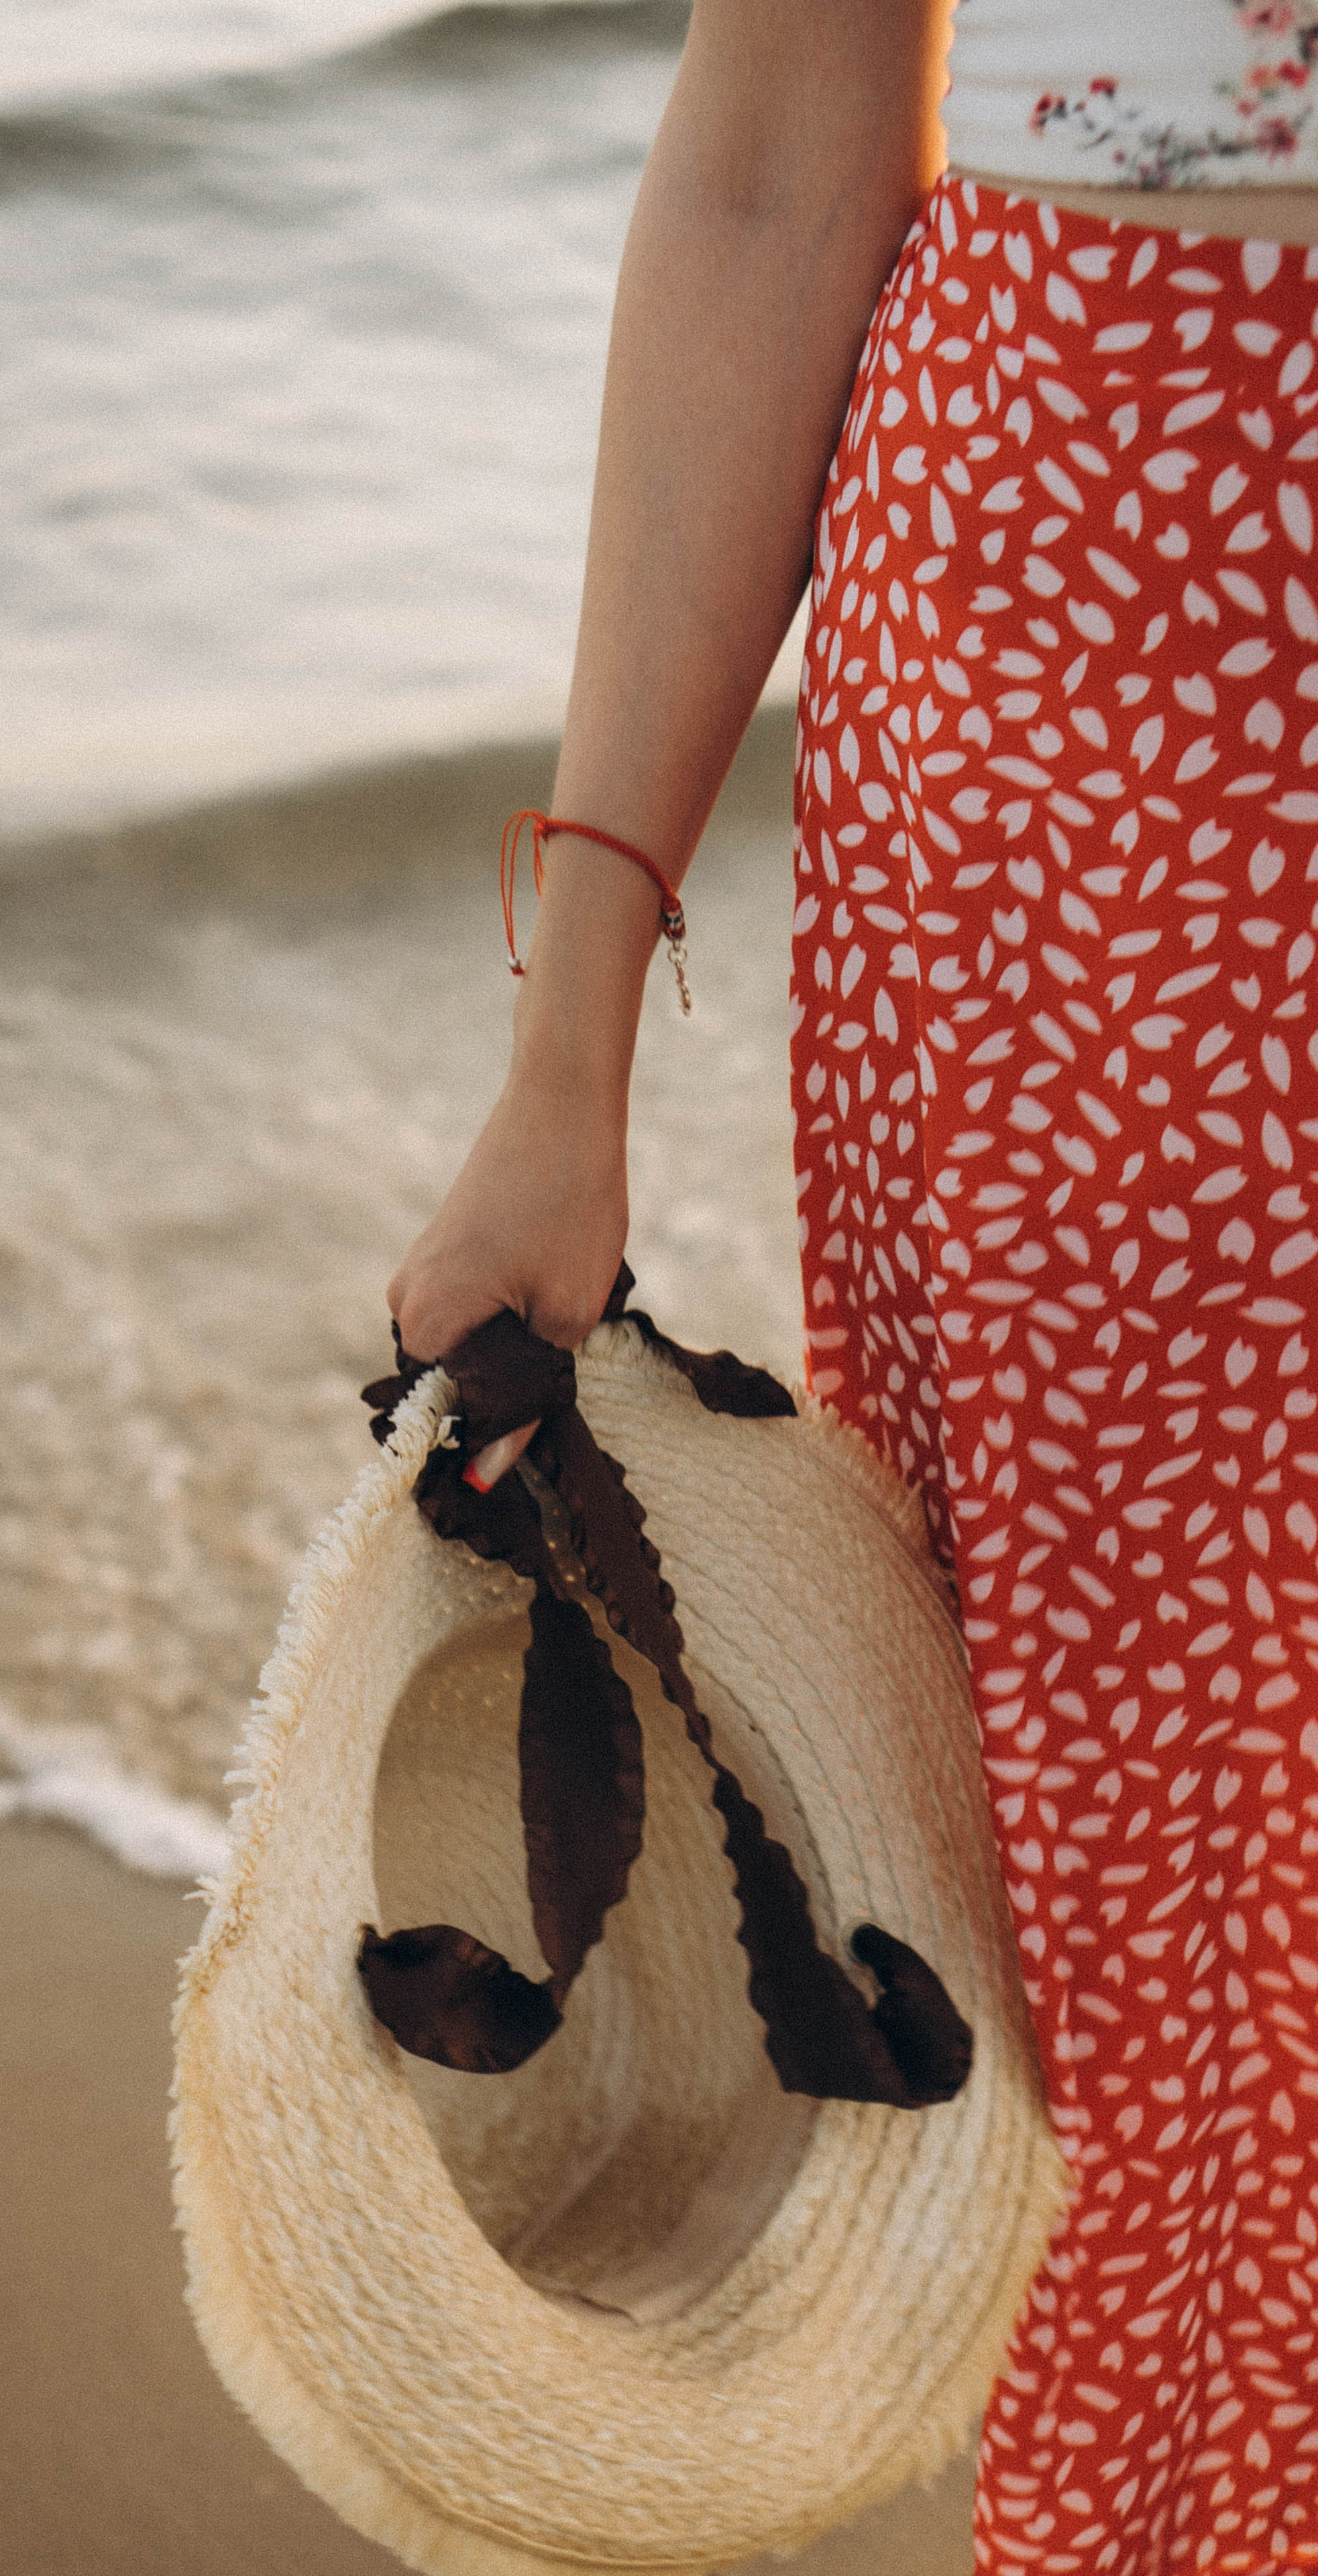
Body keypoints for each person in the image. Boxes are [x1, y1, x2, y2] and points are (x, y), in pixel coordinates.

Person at [388, 3, 1318, 2568]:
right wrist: (566, 1058)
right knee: (1140, 1952)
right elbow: (780, 162)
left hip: (1089, 647)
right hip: (1101, 696)